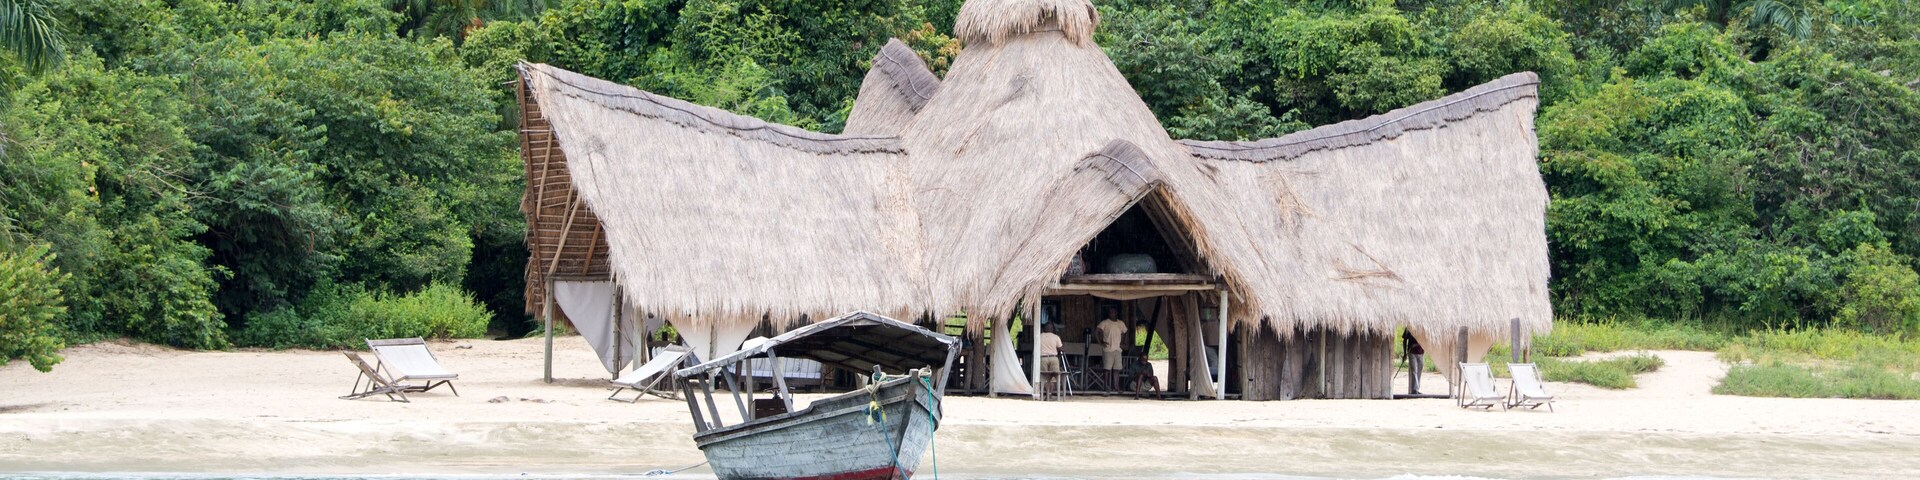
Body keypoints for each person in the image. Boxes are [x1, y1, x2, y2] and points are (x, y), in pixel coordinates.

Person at [1096, 317, 1128, 389]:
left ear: (1116, 313)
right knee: (1107, 369)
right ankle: (1106, 387)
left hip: (1118, 349)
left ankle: (1116, 387)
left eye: (1113, 312)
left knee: (1116, 369)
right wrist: (1100, 342)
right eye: (1111, 312)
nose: (1112, 313)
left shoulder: (1120, 323)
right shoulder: (1105, 322)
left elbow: (1126, 332)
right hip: (1108, 349)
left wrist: (1124, 342)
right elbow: (1097, 331)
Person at [1036, 325, 1065, 399]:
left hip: (1043, 358)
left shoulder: (1039, 336)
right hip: (1053, 358)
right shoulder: (1056, 337)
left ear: (1044, 329)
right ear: (1052, 329)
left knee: (1044, 377)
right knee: (1054, 377)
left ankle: (1046, 393)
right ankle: (1050, 393)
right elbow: (1060, 348)